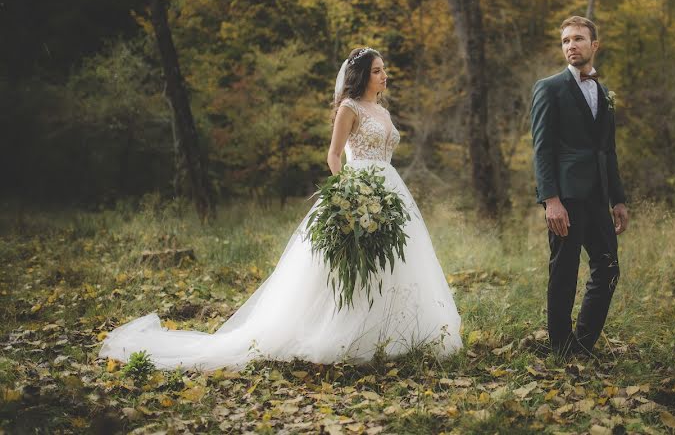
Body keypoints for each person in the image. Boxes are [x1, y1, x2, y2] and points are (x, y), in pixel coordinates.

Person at [100, 47, 462, 370]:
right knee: (347, 265)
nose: (385, 75)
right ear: (362, 76)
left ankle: (394, 334)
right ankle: (344, 332)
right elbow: (334, 155)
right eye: (378, 70)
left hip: (391, 191)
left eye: (385, 69)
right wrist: (350, 196)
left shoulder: (381, 110)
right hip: (358, 190)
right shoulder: (348, 109)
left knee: (396, 262)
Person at [530, 16, 629, 358]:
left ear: (594, 45)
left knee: (608, 267)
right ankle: (560, 346)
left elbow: (608, 149)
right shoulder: (549, 87)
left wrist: (618, 198)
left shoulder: (603, 92)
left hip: (598, 196)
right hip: (566, 197)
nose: (570, 45)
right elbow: (542, 148)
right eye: (565, 41)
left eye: (578, 39)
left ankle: (582, 344)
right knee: (565, 271)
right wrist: (551, 200)